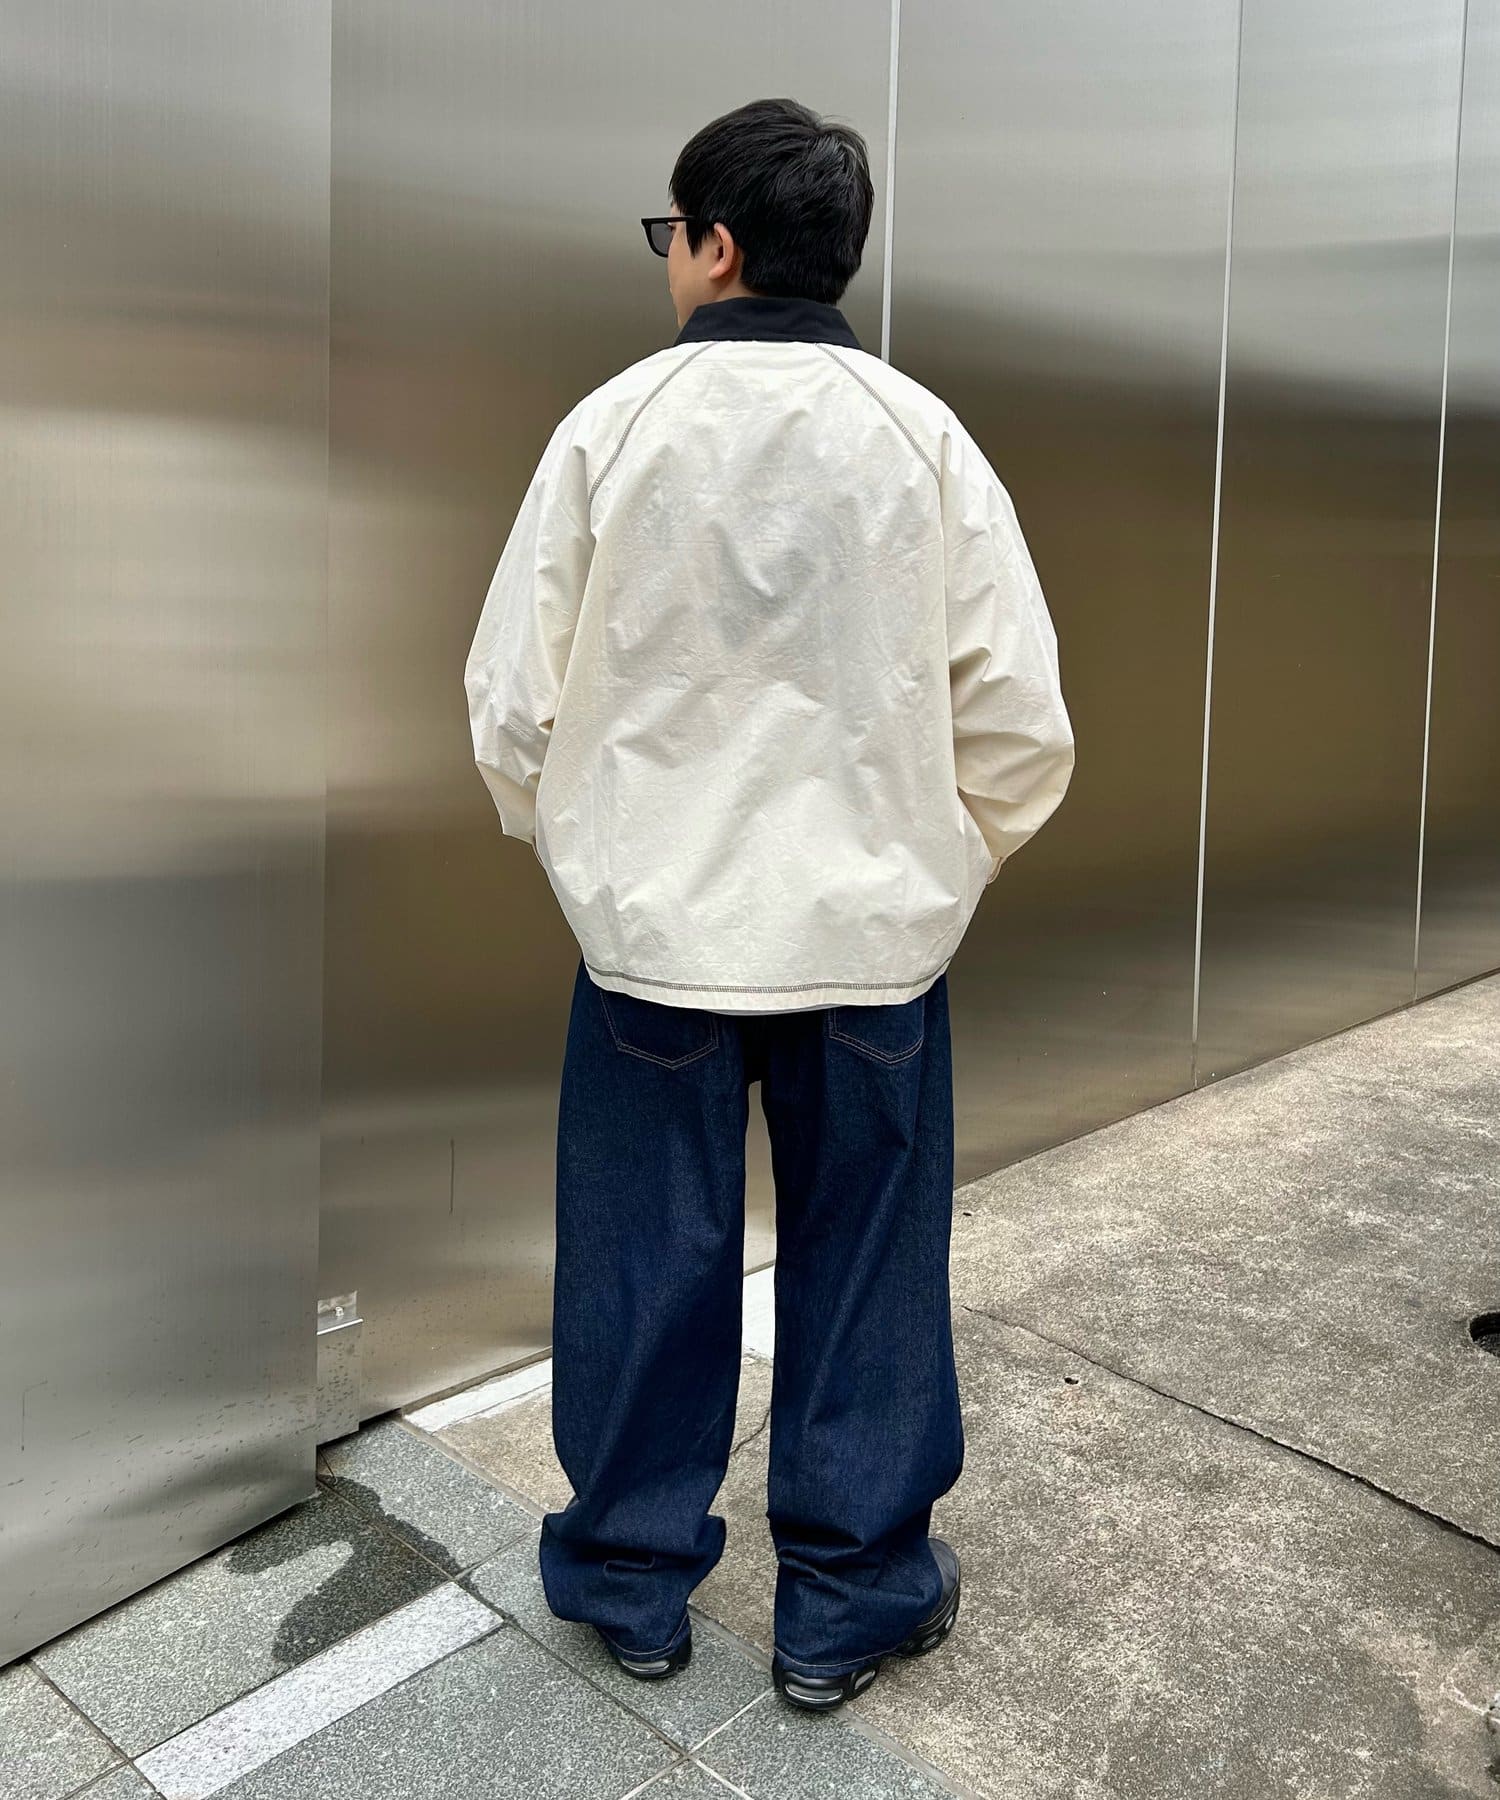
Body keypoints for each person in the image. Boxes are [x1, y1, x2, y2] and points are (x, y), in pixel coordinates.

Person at [463, 97, 1074, 1713]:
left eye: (670, 232)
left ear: (716, 244)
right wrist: (939, 873)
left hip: (652, 944)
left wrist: (590, 863)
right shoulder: (922, 438)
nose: (669, 257)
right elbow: (1019, 721)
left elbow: (511, 704)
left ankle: (630, 1582)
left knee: (639, 1263)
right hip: (872, 947)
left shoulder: (613, 428)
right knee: (869, 1271)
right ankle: (848, 1604)